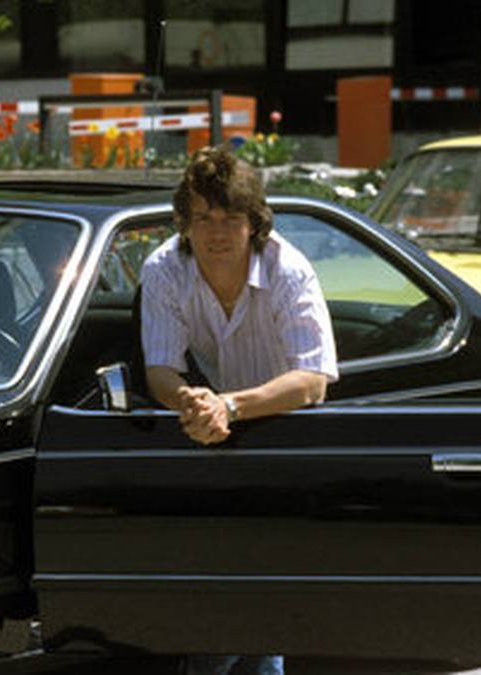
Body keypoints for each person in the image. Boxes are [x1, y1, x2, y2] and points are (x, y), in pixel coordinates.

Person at [139, 146, 338, 675]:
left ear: (255, 224)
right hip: (211, 431)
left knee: (259, 595)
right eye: (203, 218)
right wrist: (192, 403)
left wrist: (228, 404)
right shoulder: (163, 268)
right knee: (226, 594)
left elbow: (313, 380)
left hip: (286, 428)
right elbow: (159, 367)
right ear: (185, 223)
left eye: (230, 218)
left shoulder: (288, 269)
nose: (216, 232)